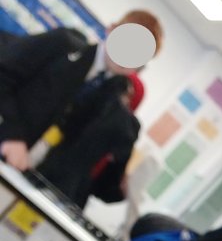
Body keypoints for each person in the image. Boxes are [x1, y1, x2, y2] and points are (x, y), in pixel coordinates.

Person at [0, 9, 162, 172]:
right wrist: (11, 134)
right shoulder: (62, 45)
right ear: (111, 30)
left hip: (25, 175)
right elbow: (4, 74)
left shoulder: (109, 101)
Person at [35, 71, 144, 208]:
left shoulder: (89, 98)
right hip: (72, 191)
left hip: (47, 164)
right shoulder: (125, 130)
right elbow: (108, 189)